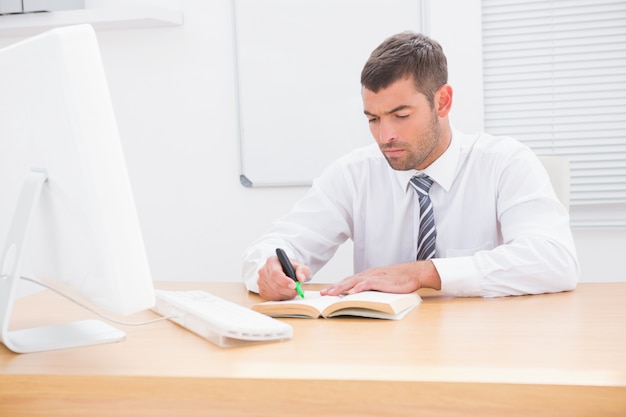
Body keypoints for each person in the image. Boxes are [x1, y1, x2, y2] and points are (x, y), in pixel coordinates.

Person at [241, 31, 579, 301]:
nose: (385, 136)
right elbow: (276, 245)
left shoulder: (504, 162)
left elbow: (554, 260)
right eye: (373, 119)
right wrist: (269, 269)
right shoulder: (354, 174)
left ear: (442, 101)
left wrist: (424, 273)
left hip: (484, 347)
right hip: (386, 351)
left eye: (401, 116)